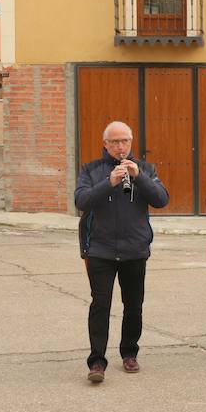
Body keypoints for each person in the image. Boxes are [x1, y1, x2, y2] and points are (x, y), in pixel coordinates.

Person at [75, 121, 170, 383]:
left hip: (134, 249)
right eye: (115, 142)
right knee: (100, 305)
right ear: (105, 144)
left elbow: (161, 199)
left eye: (125, 141)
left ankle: (129, 352)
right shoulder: (91, 170)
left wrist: (138, 177)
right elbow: (81, 201)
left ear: (131, 142)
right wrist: (110, 182)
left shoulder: (145, 169)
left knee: (133, 305)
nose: (120, 147)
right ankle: (97, 361)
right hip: (100, 250)